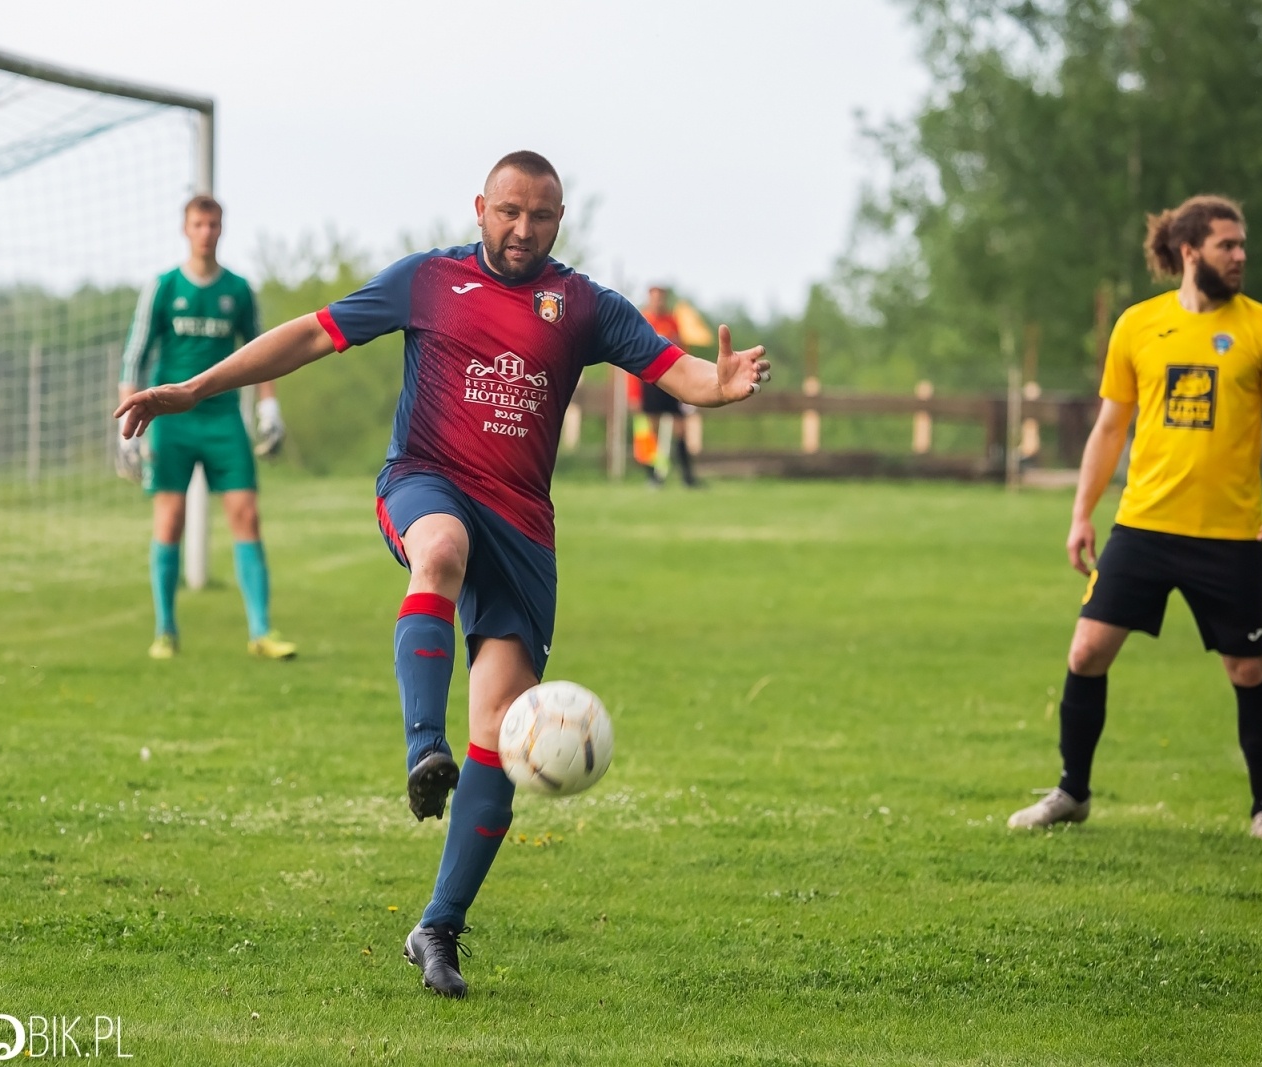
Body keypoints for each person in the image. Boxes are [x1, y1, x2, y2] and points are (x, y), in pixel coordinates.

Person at [113, 151, 770, 999]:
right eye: (507, 212)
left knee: (500, 725)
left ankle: (439, 927)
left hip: (525, 527)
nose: (521, 230)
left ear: (558, 220)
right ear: (480, 207)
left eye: (539, 217)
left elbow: (675, 370)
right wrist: (196, 387)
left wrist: (717, 386)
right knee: (441, 552)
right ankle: (425, 747)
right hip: (426, 481)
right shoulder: (428, 280)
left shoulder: (581, 306)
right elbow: (312, 332)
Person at [1007, 195, 1262, 842]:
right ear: (1189, 250)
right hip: (1142, 526)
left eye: (1243, 244)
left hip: (1229, 536)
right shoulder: (1137, 326)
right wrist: (1081, 512)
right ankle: (1072, 791)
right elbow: (1110, 427)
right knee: (1086, 650)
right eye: (1228, 244)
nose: (1241, 255)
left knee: (1248, 670)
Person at [116, 195, 294, 661]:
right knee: (170, 519)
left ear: (221, 229)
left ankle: (261, 630)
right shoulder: (163, 287)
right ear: (185, 228)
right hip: (170, 423)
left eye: (213, 224)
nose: (206, 232)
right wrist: (126, 429)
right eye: (198, 224)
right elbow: (135, 355)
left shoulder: (237, 288)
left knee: (246, 515)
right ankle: (165, 631)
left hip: (222, 419)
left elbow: (263, 351)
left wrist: (268, 409)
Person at [639, 285, 701, 487]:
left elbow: (682, 352)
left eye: (661, 298)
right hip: (649, 382)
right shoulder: (643, 320)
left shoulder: (673, 323)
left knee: (681, 428)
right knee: (651, 431)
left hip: (671, 381)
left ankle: (687, 476)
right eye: (655, 298)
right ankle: (654, 475)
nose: (658, 302)